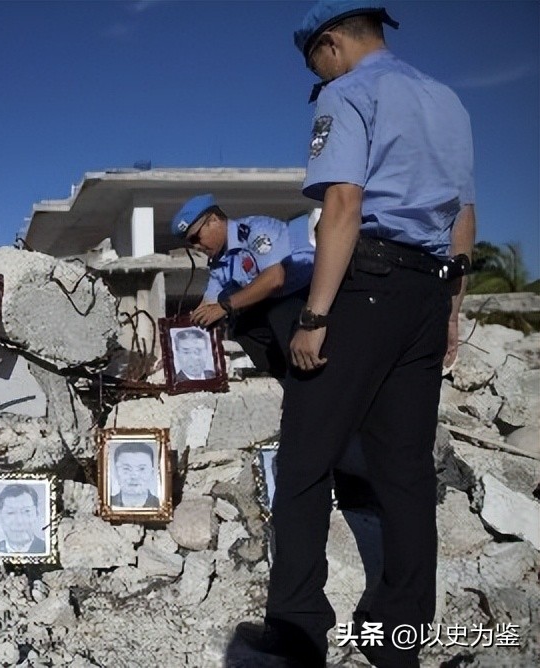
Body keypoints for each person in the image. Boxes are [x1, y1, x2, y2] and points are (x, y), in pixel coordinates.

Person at [236, 3, 474, 667]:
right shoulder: (448, 101)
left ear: (331, 44)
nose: (317, 75)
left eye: (314, 62)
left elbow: (343, 204)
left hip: (366, 285)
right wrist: (451, 310)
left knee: (306, 460)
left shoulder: (347, 93)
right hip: (427, 292)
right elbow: (463, 215)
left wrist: (314, 317)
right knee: (406, 471)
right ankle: (398, 639)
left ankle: (299, 629)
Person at [171, 193, 315, 381]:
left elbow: (275, 279)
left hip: (306, 293)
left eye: (196, 238)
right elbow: (209, 304)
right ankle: (286, 378)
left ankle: (303, 377)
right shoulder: (220, 263)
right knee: (242, 327)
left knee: (274, 314)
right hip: (279, 302)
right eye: (190, 243)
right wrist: (180, 329)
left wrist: (225, 306)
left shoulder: (254, 231)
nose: (196, 247)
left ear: (213, 220)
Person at [0, 483, 46, 554]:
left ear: (37, 514)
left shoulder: (46, 549)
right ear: (0, 516)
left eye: (26, 511)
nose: (19, 521)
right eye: (11, 512)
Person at [109, 441, 160, 509]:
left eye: (141, 469)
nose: (134, 476)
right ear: (116, 472)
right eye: (126, 469)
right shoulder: (106, 505)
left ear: (152, 473)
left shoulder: (161, 506)